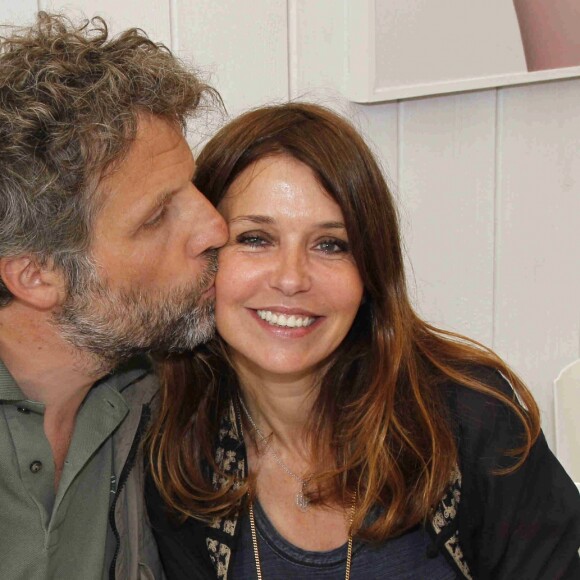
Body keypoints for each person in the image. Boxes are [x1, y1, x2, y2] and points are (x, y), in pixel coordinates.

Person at [146, 103, 580, 579]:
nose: (291, 279)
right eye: (255, 238)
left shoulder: (472, 420)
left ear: (370, 271)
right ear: (203, 254)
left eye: (330, 244)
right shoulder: (173, 445)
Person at [0, 12, 227, 580]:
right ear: (37, 276)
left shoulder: (163, 392)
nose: (214, 228)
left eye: (192, 189)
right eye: (156, 217)